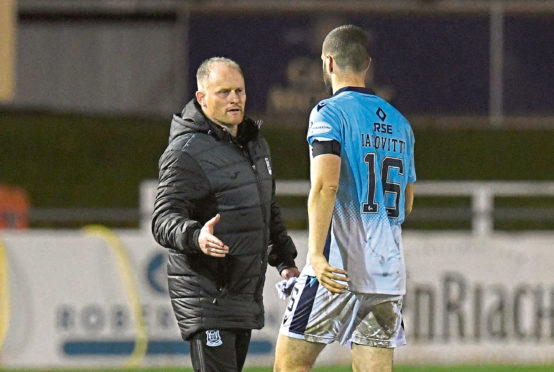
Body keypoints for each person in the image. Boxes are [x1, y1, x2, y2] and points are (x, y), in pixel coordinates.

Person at [274, 25, 416, 372]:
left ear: (328, 62)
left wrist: (315, 256)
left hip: (335, 267)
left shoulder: (329, 112)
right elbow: (406, 204)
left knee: (290, 366)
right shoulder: (400, 124)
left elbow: (326, 185)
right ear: (367, 64)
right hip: (387, 273)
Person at [151, 57, 300, 372]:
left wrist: (285, 261)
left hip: (241, 297)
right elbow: (163, 219)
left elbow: (264, 211)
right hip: (208, 297)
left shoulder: (254, 144)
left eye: (239, 91)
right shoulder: (185, 152)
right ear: (202, 99)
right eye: (223, 92)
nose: (234, 99)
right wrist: (195, 236)